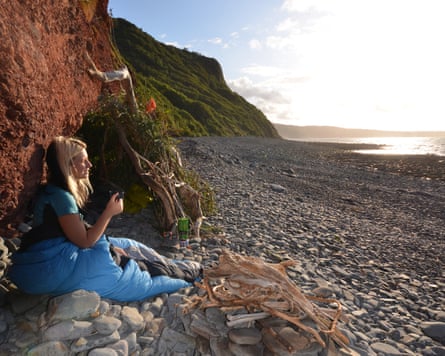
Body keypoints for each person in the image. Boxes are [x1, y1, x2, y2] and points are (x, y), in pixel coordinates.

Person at [8, 136, 201, 302]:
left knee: (127, 245)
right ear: (68, 164)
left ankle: (177, 267)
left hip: (54, 258)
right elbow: (85, 242)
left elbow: (70, 233)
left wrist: (107, 245)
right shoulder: (61, 197)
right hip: (54, 266)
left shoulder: (53, 191)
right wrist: (109, 212)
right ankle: (188, 275)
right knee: (137, 279)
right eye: (83, 161)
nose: (89, 165)